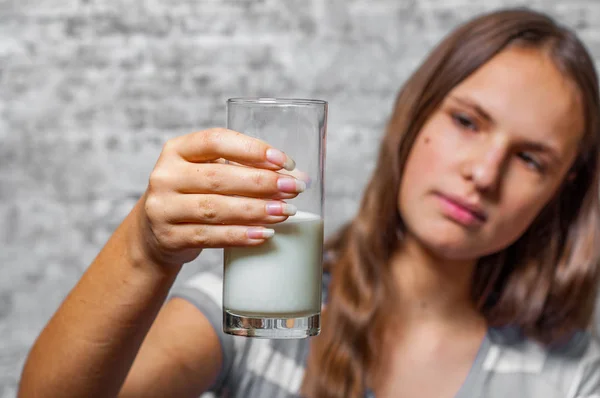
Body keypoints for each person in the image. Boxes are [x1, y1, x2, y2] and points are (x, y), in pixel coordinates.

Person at [18, 7, 600, 398]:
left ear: (559, 193)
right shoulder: (257, 304)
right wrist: (146, 250)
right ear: (412, 116)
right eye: (467, 122)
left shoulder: (570, 374)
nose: (483, 172)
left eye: (531, 159)